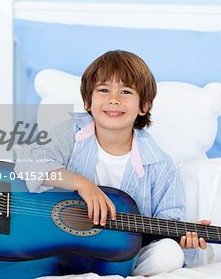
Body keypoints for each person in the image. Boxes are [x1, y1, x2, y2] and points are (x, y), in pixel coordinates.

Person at [14, 50, 210, 276]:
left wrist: (182, 239)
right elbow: (30, 164)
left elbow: (166, 224)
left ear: (143, 106)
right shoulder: (69, 132)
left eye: (126, 91)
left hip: (120, 253)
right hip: (58, 242)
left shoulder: (162, 166)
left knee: (169, 253)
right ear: (88, 101)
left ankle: (114, 269)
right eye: (104, 90)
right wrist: (82, 184)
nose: (113, 99)